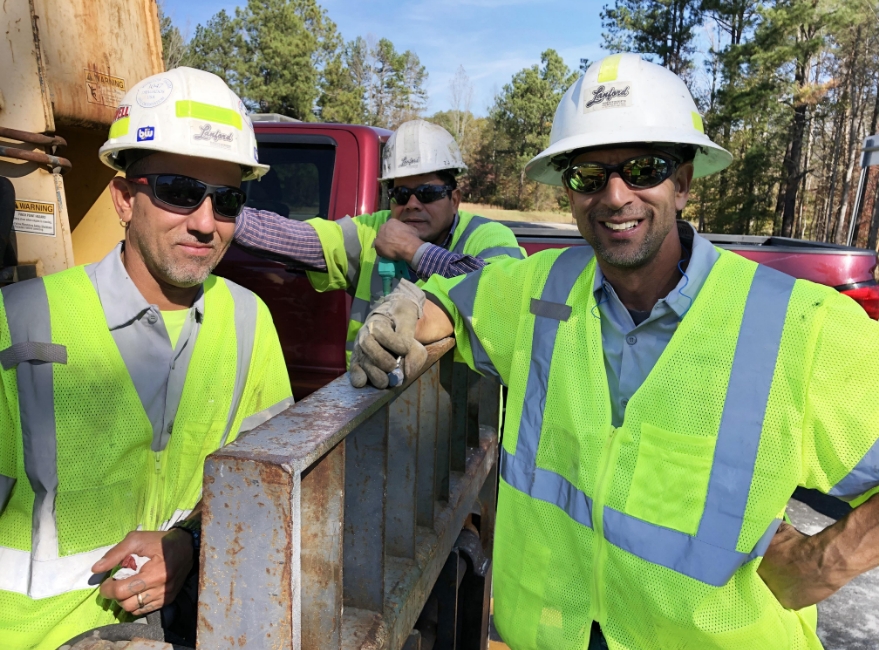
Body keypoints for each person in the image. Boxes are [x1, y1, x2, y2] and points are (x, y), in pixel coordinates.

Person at [349, 53, 879, 649]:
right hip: (555, 634)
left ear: (682, 183)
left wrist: (824, 561)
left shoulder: (800, 326)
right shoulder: (540, 289)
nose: (615, 195)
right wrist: (407, 312)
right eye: (589, 175)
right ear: (569, 193)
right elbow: (455, 302)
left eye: (644, 168)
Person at [0, 67, 293, 650]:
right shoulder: (19, 324)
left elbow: (269, 491)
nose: (206, 222)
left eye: (227, 200)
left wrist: (188, 542)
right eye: (179, 192)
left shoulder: (248, 322)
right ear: (123, 200)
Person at [233, 119, 525, 378]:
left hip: (460, 417)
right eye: (400, 193)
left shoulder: (487, 235)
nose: (412, 203)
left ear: (455, 199)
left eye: (428, 193)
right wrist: (219, 211)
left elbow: (504, 296)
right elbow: (299, 239)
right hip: (371, 400)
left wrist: (416, 250)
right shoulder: (371, 231)